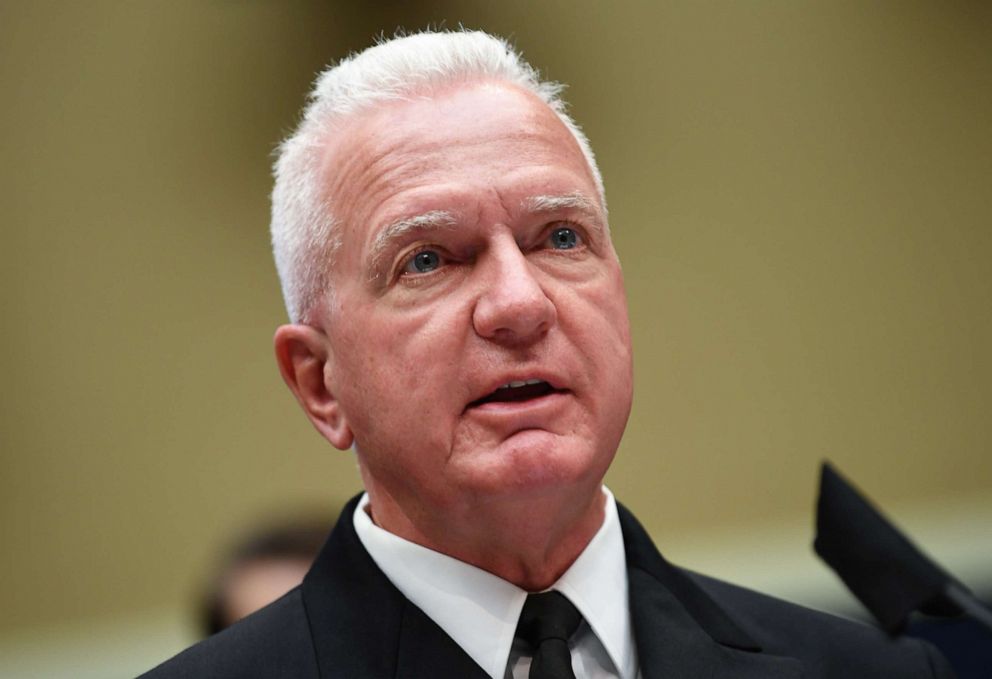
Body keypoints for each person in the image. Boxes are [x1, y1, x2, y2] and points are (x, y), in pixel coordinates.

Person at [142, 30, 955, 678]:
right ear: (320, 383)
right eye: (428, 258)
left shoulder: (871, 669)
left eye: (560, 237)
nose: (521, 303)